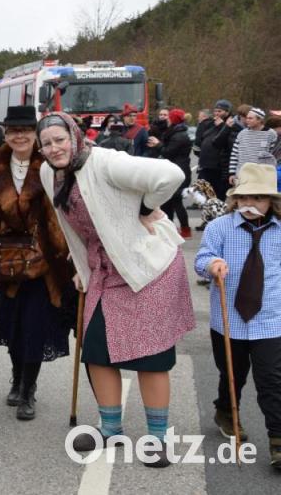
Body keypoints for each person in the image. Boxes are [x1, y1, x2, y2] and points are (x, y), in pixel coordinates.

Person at [37, 112, 195, 467]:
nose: (54, 148)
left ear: (74, 137)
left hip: (146, 265)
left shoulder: (106, 162)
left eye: (60, 139)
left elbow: (172, 174)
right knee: (96, 350)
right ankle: (111, 430)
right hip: (104, 270)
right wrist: (81, 269)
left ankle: (157, 439)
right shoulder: (49, 173)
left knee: (150, 357)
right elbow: (71, 227)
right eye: (46, 143)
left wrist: (146, 207)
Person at [0, 106, 73, 421]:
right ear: (6, 134)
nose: (20, 136)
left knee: (34, 325)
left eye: (25, 130)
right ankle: (17, 377)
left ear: (34, 134)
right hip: (7, 258)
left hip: (45, 258)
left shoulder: (50, 163)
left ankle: (28, 391)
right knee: (13, 325)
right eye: (13, 130)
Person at [195, 163, 281, 472]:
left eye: (258, 198)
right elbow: (201, 259)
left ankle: (278, 440)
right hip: (229, 318)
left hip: (271, 319)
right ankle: (226, 413)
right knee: (233, 374)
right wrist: (213, 264)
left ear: (271, 202)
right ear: (235, 200)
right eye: (244, 198)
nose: (250, 205)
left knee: (272, 380)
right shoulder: (220, 227)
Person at [159, 108, 193, 238]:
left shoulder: (179, 136)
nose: (165, 119)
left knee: (176, 201)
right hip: (176, 170)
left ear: (173, 120)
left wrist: (158, 145)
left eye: (168, 117)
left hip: (179, 172)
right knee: (168, 201)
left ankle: (185, 229)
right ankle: (171, 228)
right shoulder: (177, 133)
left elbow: (168, 152)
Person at [195, 100, 233, 201]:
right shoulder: (210, 124)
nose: (216, 114)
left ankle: (219, 216)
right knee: (204, 196)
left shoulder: (230, 124)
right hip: (206, 166)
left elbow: (226, 142)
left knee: (218, 198)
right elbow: (201, 141)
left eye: (220, 111)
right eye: (215, 111)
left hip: (219, 168)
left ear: (227, 112)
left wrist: (222, 126)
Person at [229, 107, 276, 186]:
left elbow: (274, 155)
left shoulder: (271, 134)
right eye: (247, 118)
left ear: (260, 120)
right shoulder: (242, 134)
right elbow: (234, 154)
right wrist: (232, 173)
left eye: (250, 118)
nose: (247, 120)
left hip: (261, 177)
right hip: (242, 176)